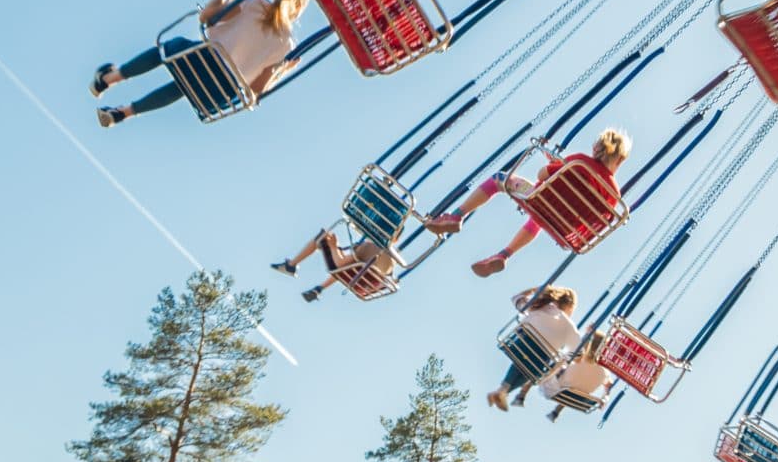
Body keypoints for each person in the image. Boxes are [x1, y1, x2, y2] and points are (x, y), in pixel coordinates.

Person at [91, 0, 310, 126]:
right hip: (219, 93)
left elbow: (207, 17)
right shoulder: (286, 45)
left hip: (202, 59)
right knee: (186, 86)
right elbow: (257, 88)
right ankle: (123, 113)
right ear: (298, 9)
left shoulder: (253, 1)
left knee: (169, 52)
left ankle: (110, 78)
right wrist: (282, 71)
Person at [421, 128, 632, 277]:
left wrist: (556, 165)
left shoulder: (579, 162)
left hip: (540, 201)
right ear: (621, 160)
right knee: (540, 218)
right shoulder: (613, 194)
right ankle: (505, 254)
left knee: (500, 179)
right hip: (563, 226)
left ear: (597, 148)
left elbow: (542, 174)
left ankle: (457, 215)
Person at [488, 286, 581, 412]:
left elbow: (517, 298)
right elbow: (577, 354)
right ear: (570, 307)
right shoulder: (570, 327)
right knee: (536, 372)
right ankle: (501, 392)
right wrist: (563, 360)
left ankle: (501, 391)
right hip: (539, 360)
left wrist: (533, 290)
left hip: (519, 345)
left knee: (525, 360)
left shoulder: (541, 305)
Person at [271, 227, 397, 303]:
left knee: (323, 237)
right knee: (349, 261)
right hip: (359, 281)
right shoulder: (393, 260)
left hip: (346, 273)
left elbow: (339, 264)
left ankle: (291, 266)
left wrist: (333, 246)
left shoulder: (369, 247)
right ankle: (319, 289)